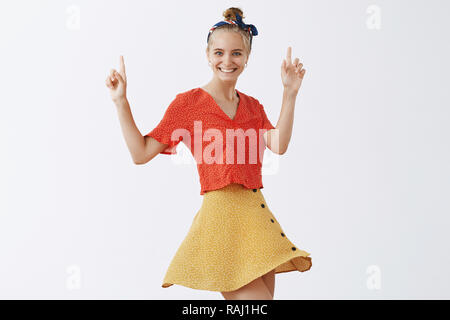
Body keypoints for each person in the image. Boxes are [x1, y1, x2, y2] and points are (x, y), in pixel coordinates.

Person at [105, 7, 311, 300]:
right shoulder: (188, 105)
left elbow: (278, 144)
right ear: (207, 54)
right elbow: (141, 153)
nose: (227, 61)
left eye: (237, 53)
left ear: (247, 58)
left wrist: (290, 94)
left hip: (256, 220)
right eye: (219, 53)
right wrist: (120, 101)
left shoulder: (253, 107)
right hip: (221, 223)